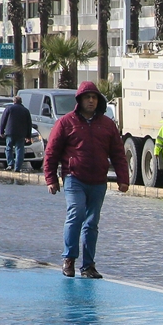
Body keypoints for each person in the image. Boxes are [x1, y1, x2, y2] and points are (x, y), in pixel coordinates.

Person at [43, 81, 130, 279]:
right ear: (79, 100)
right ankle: (69, 259)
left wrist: (123, 178)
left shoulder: (107, 124)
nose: (91, 101)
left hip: (99, 181)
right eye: (87, 97)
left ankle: (88, 266)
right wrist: (51, 179)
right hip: (74, 179)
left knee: (91, 223)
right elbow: (51, 152)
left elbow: (118, 153)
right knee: (76, 213)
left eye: (94, 97)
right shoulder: (66, 122)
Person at [0, 95, 32, 172]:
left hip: (10, 132)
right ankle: (17, 167)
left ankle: (10, 164)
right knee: (19, 150)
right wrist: (28, 136)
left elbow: (3, 120)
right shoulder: (25, 111)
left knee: (8, 148)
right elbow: (29, 124)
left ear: (14, 101)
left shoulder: (9, 109)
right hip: (21, 134)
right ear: (21, 102)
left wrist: (1, 132)